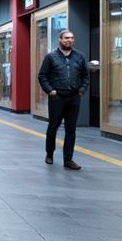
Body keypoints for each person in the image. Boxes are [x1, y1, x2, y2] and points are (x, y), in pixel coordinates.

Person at [37, 29, 89, 170]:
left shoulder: (79, 57)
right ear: (60, 40)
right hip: (57, 97)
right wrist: (50, 91)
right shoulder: (51, 57)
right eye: (66, 38)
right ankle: (49, 154)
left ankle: (68, 159)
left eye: (71, 38)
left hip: (73, 97)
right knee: (53, 126)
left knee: (71, 129)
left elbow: (86, 76)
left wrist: (81, 90)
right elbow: (42, 75)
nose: (69, 40)